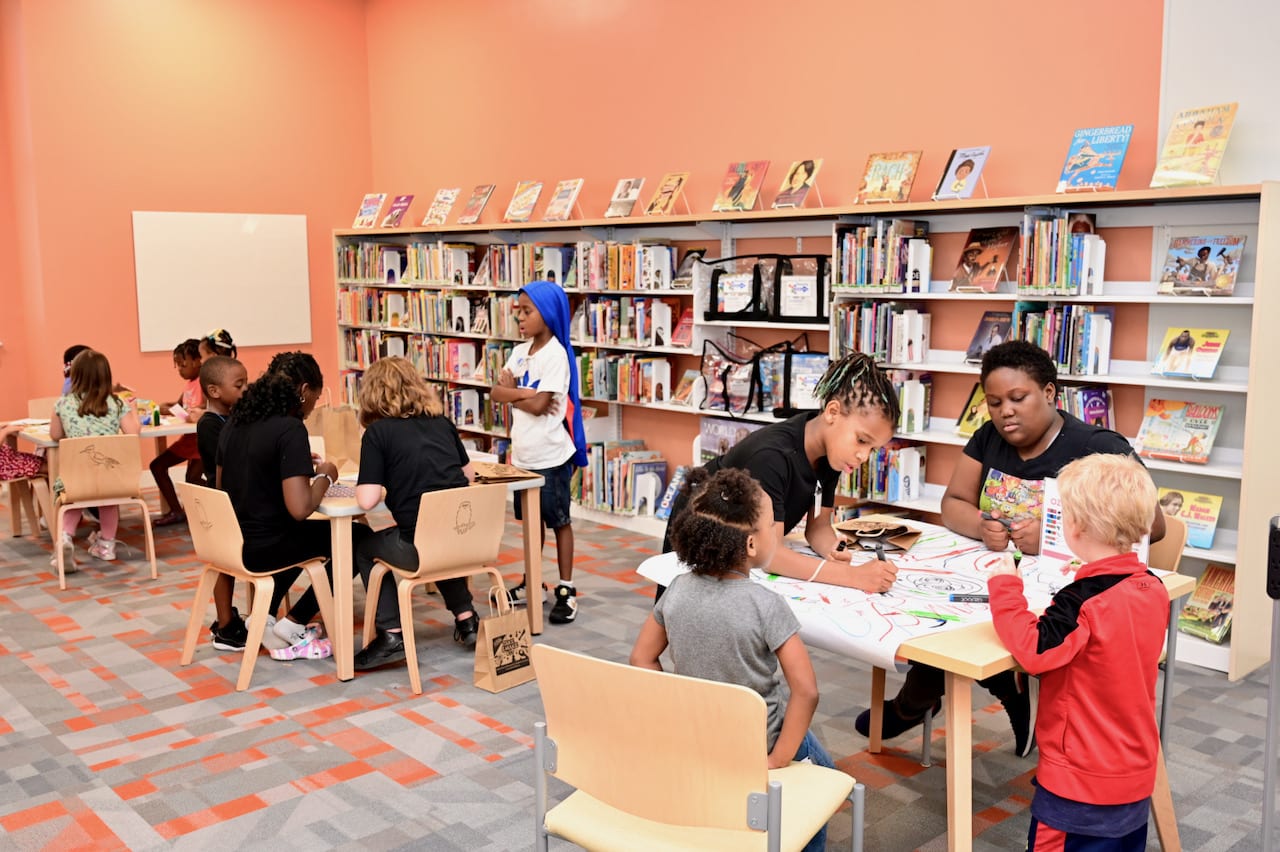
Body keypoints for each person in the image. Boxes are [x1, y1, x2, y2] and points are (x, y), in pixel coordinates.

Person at [856, 340, 1165, 753]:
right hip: (999, 575)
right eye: (995, 402)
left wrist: (1050, 535)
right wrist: (982, 526)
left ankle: (923, 702)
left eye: (1018, 398)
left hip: (1069, 593)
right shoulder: (988, 438)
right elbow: (953, 504)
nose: (1006, 411)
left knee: (978, 622)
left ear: (1050, 394)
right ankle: (969, 691)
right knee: (939, 614)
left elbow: (1152, 526)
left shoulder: (1097, 446)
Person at [630, 467, 832, 852]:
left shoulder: (676, 590)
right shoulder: (766, 605)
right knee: (824, 789)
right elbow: (806, 690)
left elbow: (642, 658)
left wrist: (680, 705)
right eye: (774, 526)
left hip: (697, 736)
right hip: (760, 741)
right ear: (752, 546)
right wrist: (780, 757)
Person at [988, 452, 1167, 849]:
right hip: (1134, 769)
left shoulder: (1082, 601)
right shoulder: (1152, 588)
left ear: (1076, 525)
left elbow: (1035, 649)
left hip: (1079, 780)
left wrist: (1005, 588)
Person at [660, 352, 900, 595]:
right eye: (861, 440)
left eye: (872, 449)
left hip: (743, 554)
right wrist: (853, 576)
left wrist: (834, 550)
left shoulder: (832, 456)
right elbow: (773, 556)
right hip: (701, 541)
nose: (863, 456)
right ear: (832, 412)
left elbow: (817, 528)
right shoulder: (773, 456)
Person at [216, 353, 370, 659]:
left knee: (303, 536)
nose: (313, 406)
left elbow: (224, 487)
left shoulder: (235, 422)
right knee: (359, 540)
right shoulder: (289, 428)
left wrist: (292, 470)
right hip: (263, 548)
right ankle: (295, 622)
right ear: (303, 390)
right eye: (314, 396)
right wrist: (326, 474)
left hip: (232, 542)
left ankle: (266, 615)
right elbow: (301, 508)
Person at [352, 357, 482, 669]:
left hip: (419, 547)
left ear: (372, 393)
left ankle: (391, 633)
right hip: (464, 542)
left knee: (365, 547)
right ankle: (466, 619)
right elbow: (469, 477)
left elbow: (367, 500)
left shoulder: (378, 434)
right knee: (437, 535)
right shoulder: (443, 424)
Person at [492, 280, 587, 624]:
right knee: (531, 525)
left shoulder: (556, 355)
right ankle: (534, 579)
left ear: (547, 314)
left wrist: (514, 391)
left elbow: (541, 404)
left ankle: (566, 587)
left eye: (527, 311)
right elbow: (495, 393)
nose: (520, 317)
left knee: (558, 521)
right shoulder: (519, 352)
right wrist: (520, 394)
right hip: (523, 459)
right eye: (518, 310)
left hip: (551, 458)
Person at [49, 349, 142, 568]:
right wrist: (134, 410)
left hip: (77, 477)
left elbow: (55, 435)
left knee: (73, 495)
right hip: (112, 478)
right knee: (108, 497)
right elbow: (132, 433)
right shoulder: (117, 404)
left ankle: (64, 538)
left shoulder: (62, 404)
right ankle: (106, 546)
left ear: (76, 375)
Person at [195, 355, 248, 650]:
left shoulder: (233, 419)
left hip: (233, 499)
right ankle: (226, 623)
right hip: (222, 503)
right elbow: (227, 462)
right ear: (215, 391)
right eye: (239, 385)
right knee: (224, 565)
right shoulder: (210, 425)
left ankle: (232, 620)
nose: (245, 390)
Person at [150, 338, 205, 527]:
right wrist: (165, 408)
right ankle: (176, 510)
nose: (180, 370)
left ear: (198, 360)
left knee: (193, 480)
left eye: (183, 364)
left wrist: (188, 411)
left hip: (202, 440)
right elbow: (180, 406)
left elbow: (203, 410)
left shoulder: (205, 382)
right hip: (189, 440)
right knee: (157, 466)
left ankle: (226, 497)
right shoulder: (190, 383)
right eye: (178, 366)